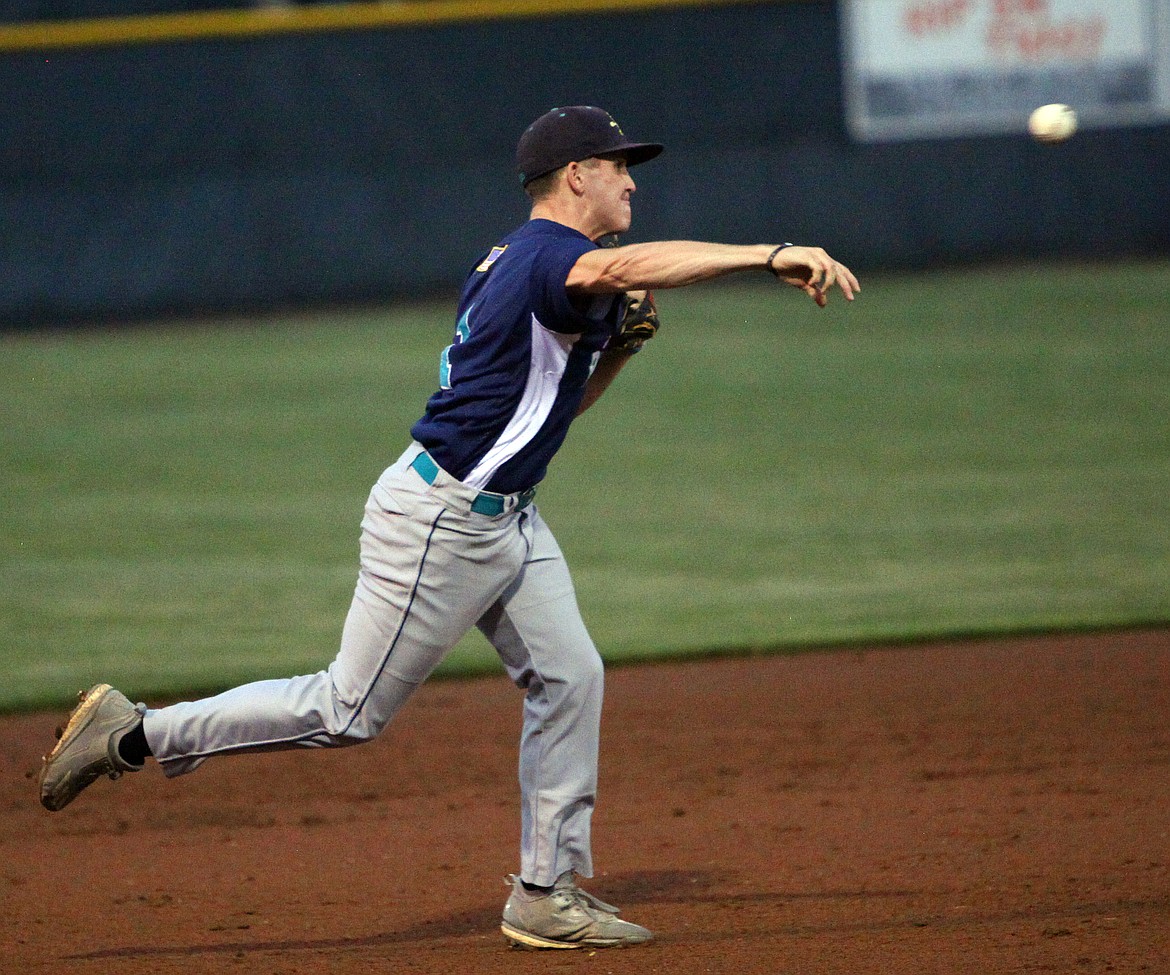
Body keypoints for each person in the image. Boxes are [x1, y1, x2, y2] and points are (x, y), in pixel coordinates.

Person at [37, 105, 859, 950]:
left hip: (508, 517)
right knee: (344, 709)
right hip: (443, 519)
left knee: (571, 675)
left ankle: (544, 891)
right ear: (576, 176)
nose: (630, 179)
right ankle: (134, 733)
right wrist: (766, 254)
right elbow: (639, 265)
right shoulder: (547, 256)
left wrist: (617, 352)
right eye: (617, 165)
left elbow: (551, 415)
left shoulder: (520, 261)